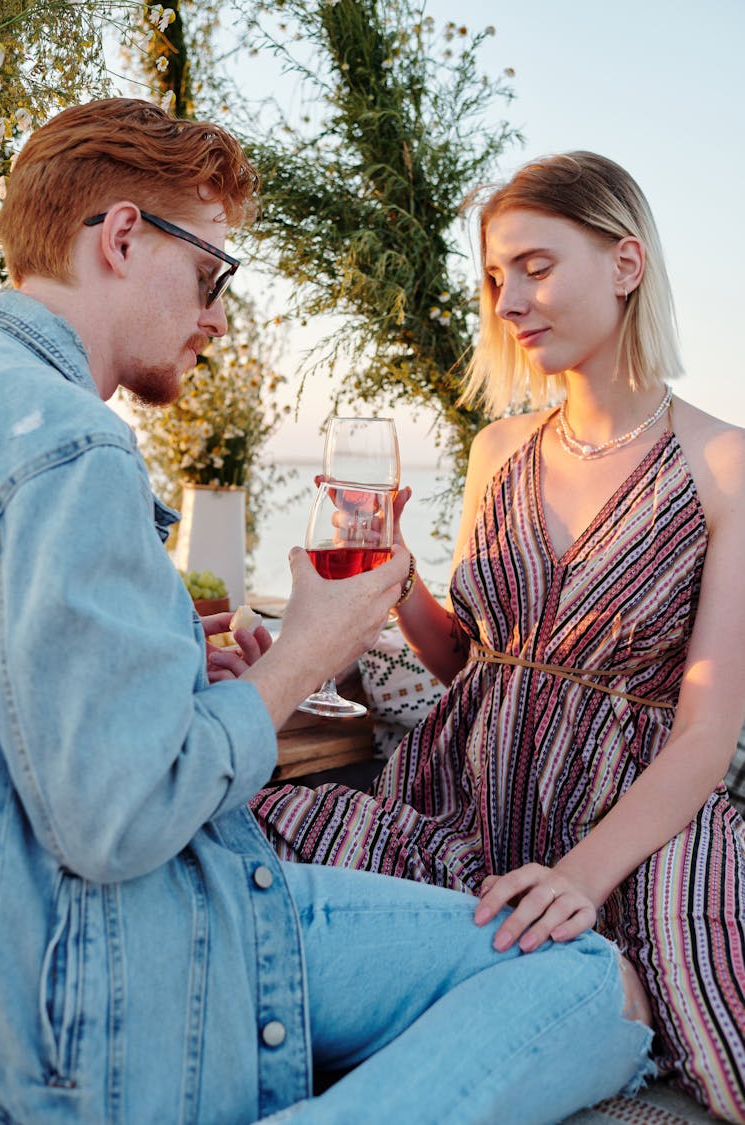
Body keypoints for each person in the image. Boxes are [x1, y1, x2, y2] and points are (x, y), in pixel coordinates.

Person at [0, 103, 655, 1124]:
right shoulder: (75, 448)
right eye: (214, 275)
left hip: (85, 921)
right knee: (589, 986)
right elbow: (114, 819)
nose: (219, 316)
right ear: (123, 237)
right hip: (113, 948)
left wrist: (173, 666)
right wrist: (304, 652)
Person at [253, 151, 745, 1122]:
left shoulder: (724, 463)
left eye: (535, 265)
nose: (508, 299)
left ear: (626, 263)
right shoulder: (497, 450)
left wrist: (578, 878)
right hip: (469, 798)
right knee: (267, 829)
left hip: (626, 831)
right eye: (493, 277)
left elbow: (707, 737)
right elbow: (474, 664)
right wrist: (398, 583)